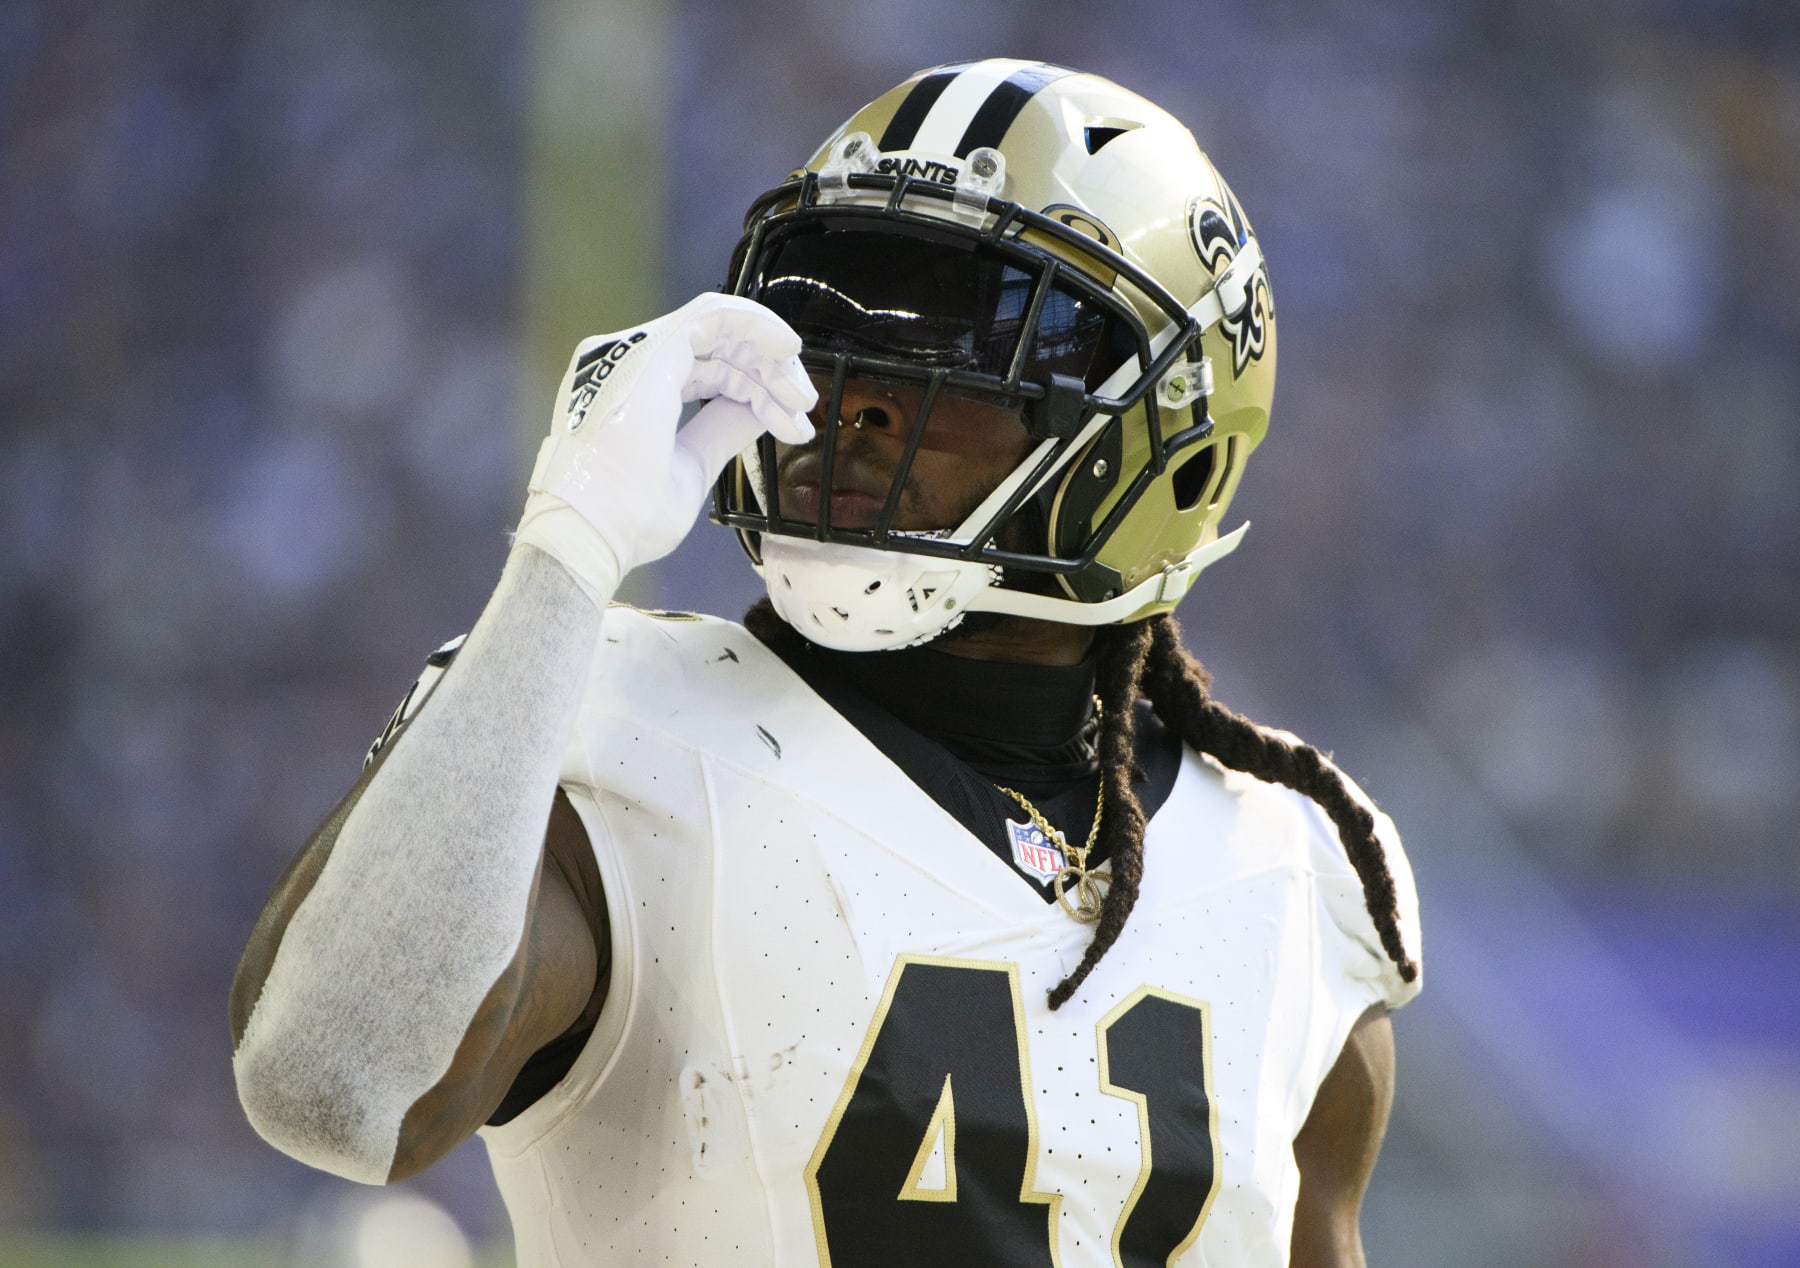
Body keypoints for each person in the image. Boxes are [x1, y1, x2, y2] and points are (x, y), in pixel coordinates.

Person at [230, 59, 1421, 1267]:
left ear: (1166, 447)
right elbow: (334, 1089)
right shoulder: (598, 720)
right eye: (834, 323)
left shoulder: (1298, 863)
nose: (851, 393)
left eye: (954, 336)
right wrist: (564, 553)